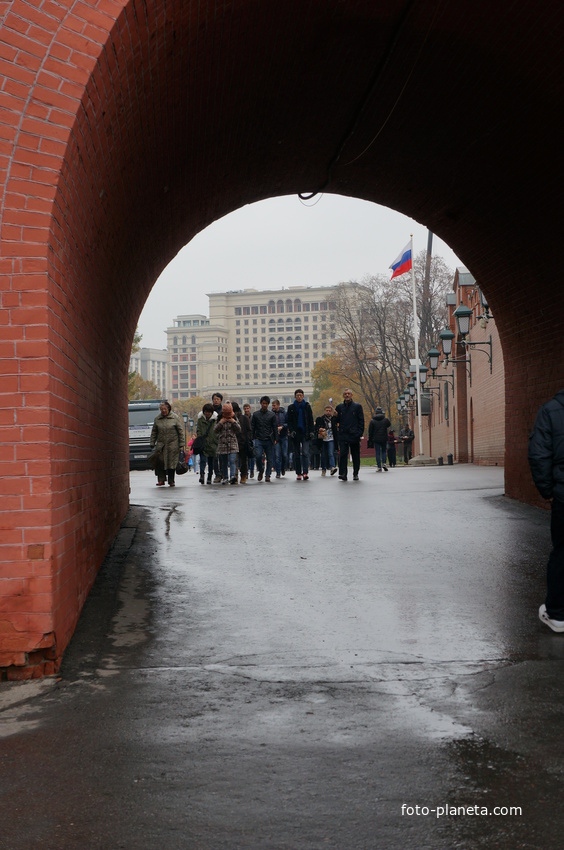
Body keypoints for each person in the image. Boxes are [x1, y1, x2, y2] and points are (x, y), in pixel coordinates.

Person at [528, 390, 564, 632]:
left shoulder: (550, 411)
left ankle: (559, 615)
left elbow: (539, 454)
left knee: (562, 552)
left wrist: (548, 490)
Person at [150, 401, 185, 487]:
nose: (163, 411)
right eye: (161, 409)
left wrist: (181, 443)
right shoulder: (157, 419)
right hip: (161, 444)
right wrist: (152, 442)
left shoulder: (175, 418)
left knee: (171, 463)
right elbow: (154, 432)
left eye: (165, 409)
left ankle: (171, 480)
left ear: (168, 409)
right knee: (160, 462)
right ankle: (161, 480)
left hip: (173, 444)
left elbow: (180, 431)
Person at [335, 388, 364, 481]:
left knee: (355, 455)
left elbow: (361, 421)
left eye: (348, 394)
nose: (347, 395)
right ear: (343, 396)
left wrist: (359, 433)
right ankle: (343, 473)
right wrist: (335, 416)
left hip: (354, 434)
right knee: (343, 455)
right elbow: (336, 421)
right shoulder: (339, 407)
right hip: (343, 434)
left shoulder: (357, 407)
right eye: (345, 394)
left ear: (351, 395)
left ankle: (356, 473)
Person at [287, 388, 314, 481]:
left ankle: (305, 472)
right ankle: (298, 473)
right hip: (296, 433)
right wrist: (291, 431)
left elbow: (310, 419)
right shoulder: (291, 407)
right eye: (297, 395)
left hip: (305, 433)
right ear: (295, 396)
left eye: (301, 395)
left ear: (303, 396)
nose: (299, 397)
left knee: (306, 453)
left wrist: (311, 431)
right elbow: (289, 421)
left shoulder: (307, 406)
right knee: (297, 454)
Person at [251, 396, 277, 482]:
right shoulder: (255, 414)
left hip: (269, 439)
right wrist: (252, 438)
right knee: (258, 456)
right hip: (258, 439)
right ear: (261, 403)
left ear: (268, 404)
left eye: (266, 403)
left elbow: (274, 427)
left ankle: (268, 475)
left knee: (270, 458)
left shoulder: (272, 415)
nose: (264, 405)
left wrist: (276, 438)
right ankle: (261, 469)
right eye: (263, 403)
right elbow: (253, 427)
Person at [214, 402, 241, 485]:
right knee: (224, 462)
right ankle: (225, 477)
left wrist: (233, 422)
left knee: (232, 460)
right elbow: (215, 430)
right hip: (222, 443)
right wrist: (221, 422)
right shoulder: (219, 418)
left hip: (232, 443)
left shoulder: (234, 418)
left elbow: (239, 430)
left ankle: (232, 476)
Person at [196, 403, 218, 484]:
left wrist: (216, 439)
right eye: (206, 412)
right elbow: (198, 429)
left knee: (211, 462)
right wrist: (199, 437)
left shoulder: (215, 419)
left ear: (212, 412)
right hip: (203, 443)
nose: (207, 413)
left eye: (209, 412)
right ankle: (202, 475)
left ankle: (210, 476)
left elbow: (218, 430)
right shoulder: (200, 419)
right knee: (202, 460)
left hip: (213, 443)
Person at [314, 404, 338, 476]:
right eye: (327, 411)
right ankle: (323, 469)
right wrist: (319, 429)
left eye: (329, 411)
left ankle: (332, 467)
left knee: (331, 453)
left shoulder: (333, 419)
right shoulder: (320, 419)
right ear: (324, 411)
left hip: (331, 438)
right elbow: (315, 429)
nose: (328, 412)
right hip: (323, 438)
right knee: (323, 455)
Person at [232, 401, 251, 484]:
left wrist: (248, 440)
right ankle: (235, 476)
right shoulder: (229, 418)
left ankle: (243, 475)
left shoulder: (244, 418)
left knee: (243, 461)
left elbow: (249, 430)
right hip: (233, 442)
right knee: (234, 460)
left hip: (243, 442)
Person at [368, 406, 391, 472]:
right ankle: (384, 463)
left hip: (376, 439)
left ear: (375, 413)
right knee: (384, 451)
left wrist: (370, 439)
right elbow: (389, 425)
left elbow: (370, 431)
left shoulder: (372, 421)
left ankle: (379, 466)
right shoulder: (385, 420)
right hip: (384, 437)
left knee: (377, 452)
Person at [271, 399, 288, 478]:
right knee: (277, 455)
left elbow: (288, 423)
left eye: (274, 405)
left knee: (284, 454)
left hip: (284, 436)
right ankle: (278, 472)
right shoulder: (271, 414)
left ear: (278, 405)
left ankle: (283, 467)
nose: (273, 407)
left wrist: (283, 426)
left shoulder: (284, 413)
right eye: (272, 405)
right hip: (276, 437)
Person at [211, 392, 224, 481]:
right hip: (213, 436)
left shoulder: (224, 410)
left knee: (223, 457)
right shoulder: (209, 410)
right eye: (214, 399)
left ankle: (223, 473)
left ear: (221, 400)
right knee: (215, 457)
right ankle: (217, 474)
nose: (216, 401)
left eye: (218, 399)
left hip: (223, 436)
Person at [243, 403, 255, 478]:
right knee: (245, 457)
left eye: (248, 408)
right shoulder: (242, 417)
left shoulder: (253, 417)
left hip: (253, 438)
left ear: (250, 408)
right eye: (245, 408)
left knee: (252, 456)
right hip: (245, 439)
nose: (246, 410)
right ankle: (246, 471)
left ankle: (252, 470)